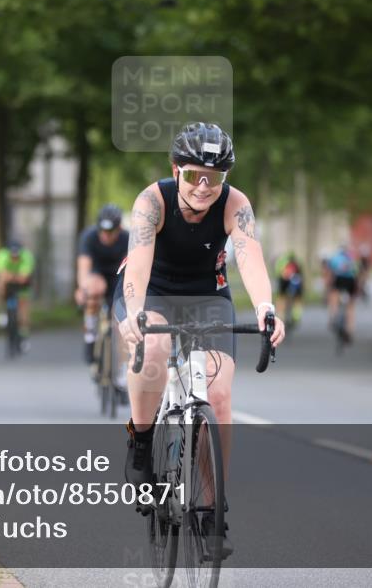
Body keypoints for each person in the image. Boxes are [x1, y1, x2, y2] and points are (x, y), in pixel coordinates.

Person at [115, 122, 286, 557]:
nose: (204, 186)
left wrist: (266, 307)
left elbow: (249, 257)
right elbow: (136, 265)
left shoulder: (236, 204)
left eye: (215, 177)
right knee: (153, 349)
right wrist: (135, 313)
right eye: (194, 175)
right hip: (151, 290)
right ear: (176, 171)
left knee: (219, 396)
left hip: (208, 296)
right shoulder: (152, 202)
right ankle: (141, 439)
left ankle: (211, 509)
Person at [76, 204, 129, 370]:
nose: (105, 236)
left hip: (119, 277)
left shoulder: (128, 238)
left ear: (119, 228)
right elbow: (84, 268)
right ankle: (90, 334)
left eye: (110, 232)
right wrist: (82, 289)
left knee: (122, 317)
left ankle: (122, 367)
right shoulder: (89, 236)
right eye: (102, 231)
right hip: (97, 275)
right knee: (93, 288)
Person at [0, 240, 35, 351]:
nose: (14, 258)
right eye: (12, 256)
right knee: (0, 284)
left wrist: (12, 276)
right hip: (8, 284)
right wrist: (11, 277)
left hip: (22, 285)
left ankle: (24, 335)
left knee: (23, 308)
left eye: (17, 256)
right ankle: (2, 310)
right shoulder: (1, 256)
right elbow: (2, 275)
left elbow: (24, 277)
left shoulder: (27, 257)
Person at [325, 243, 358, 343]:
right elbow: (356, 272)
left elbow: (329, 273)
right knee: (350, 306)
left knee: (333, 296)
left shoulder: (334, 258)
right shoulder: (351, 258)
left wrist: (328, 285)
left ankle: (333, 316)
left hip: (339, 279)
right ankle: (350, 330)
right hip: (350, 280)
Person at [274, 251, 303, 328]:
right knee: (297, 299)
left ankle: (280, 315)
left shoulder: (281, 262)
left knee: (281, 298)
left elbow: (278, 273)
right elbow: (300, 275)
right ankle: (296, 315)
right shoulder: (297, 264)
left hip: (283, 281)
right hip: (295, 281)